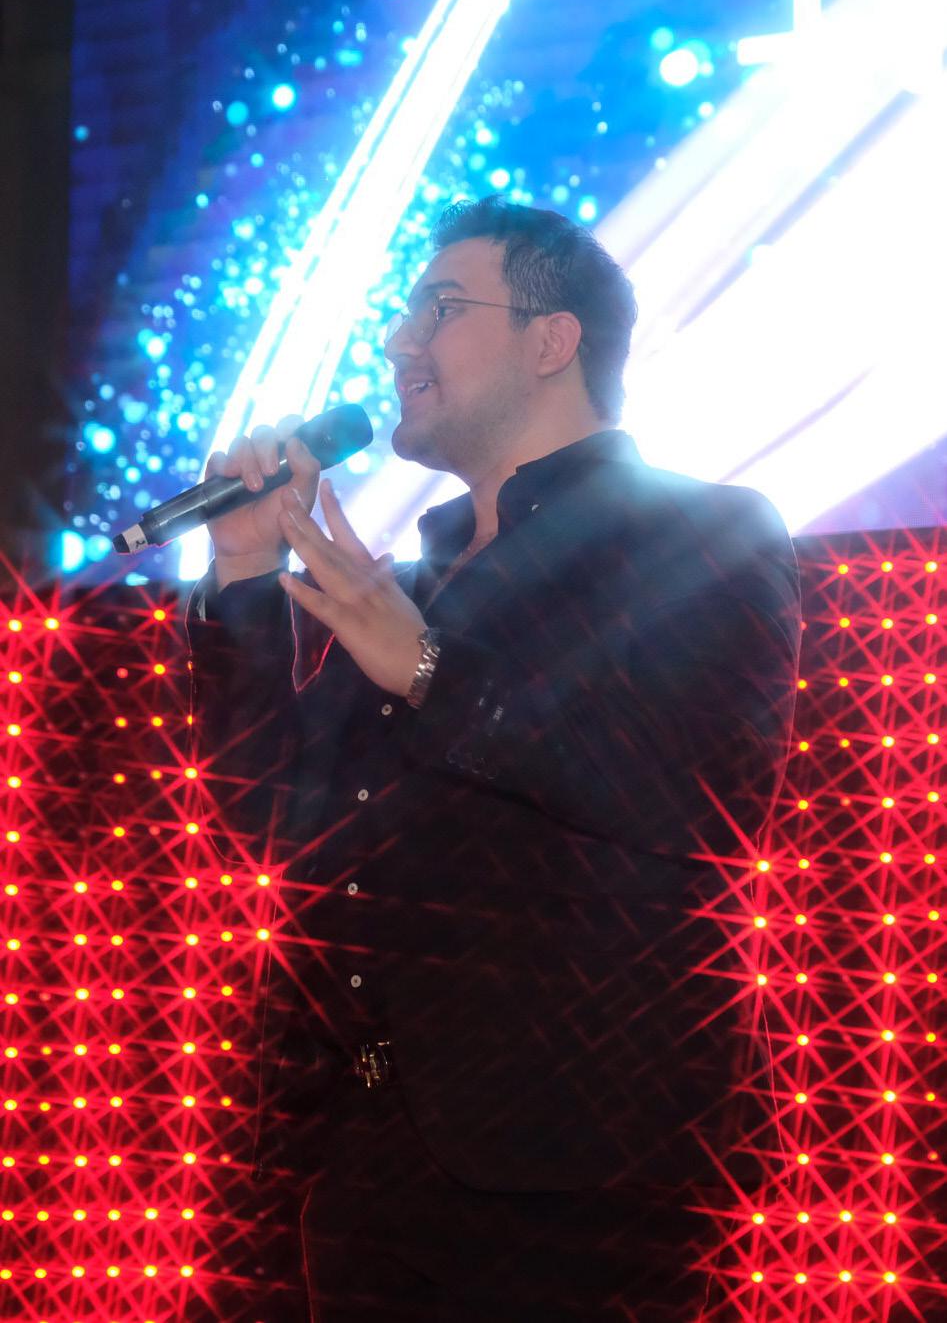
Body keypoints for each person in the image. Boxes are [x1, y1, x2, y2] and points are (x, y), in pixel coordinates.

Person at [186, 196, 801, 1322]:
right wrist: (241, 575)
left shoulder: (702, 531)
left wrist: (432, 670)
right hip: (366, 1167)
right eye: (404, 312)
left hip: (579, 1188)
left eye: (439, 308)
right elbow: (273, 813)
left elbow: (702, 797)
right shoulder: (418, 583)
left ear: (550, 339)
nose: (397, 342)